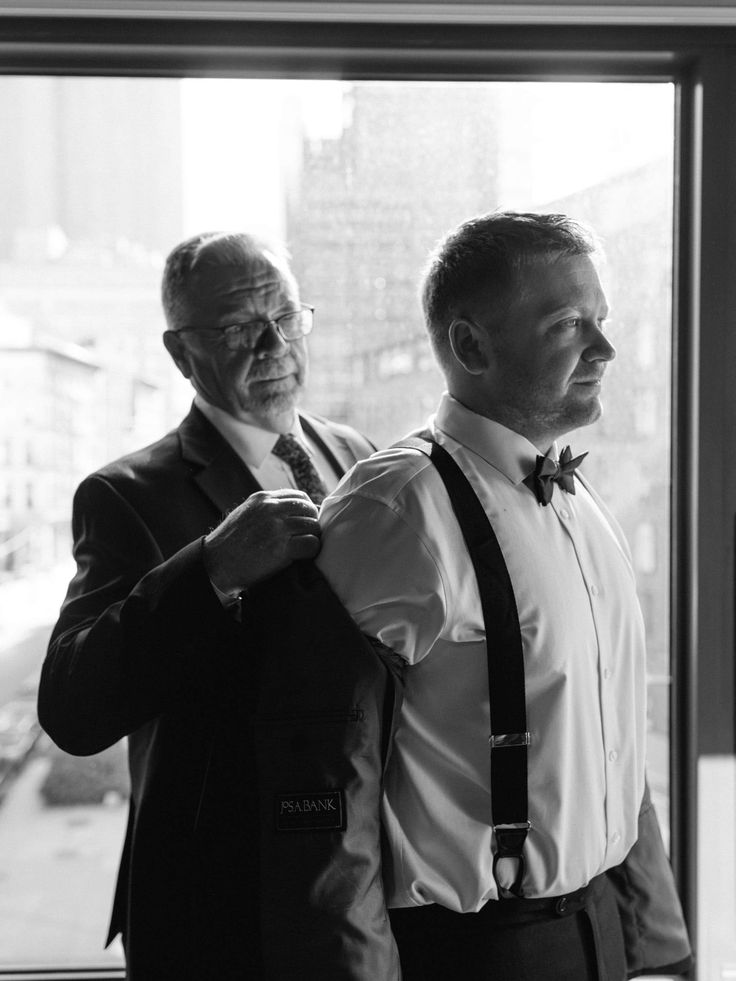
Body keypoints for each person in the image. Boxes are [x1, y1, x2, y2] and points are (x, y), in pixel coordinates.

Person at [315, 211, 692, 980]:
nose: (606, 350)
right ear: (470, 346)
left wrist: (661, 944)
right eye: (567, 326)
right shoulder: (396, 509)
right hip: (479, 951)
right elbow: (325, 787)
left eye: (603, 321)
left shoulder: (583, 501)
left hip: (604, 930)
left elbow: (614, 743)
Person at [38, 231, 375, 980]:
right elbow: (72, 705)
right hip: (216, 912)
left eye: (286, 316)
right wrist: (214, 568)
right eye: (237, 329)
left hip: (360, 891)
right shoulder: (126, 496)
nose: (273, 344)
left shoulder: (356, 456)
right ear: (181, 354)